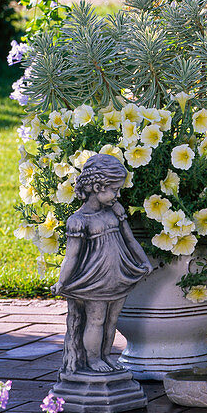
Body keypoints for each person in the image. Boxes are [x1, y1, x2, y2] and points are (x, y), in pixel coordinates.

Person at [54, 152, 153, 375]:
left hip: (118, 275)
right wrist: (61, 282)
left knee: (112, 320)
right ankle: (93, 359)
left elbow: (130, 240)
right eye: (115, 190)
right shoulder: (78, 221)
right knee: (96, 320)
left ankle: (106, 355)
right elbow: (72, 257)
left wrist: (144, 261)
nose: (118, 195)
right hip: (94, 279)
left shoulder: (115, 211)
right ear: (98, 187)